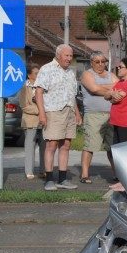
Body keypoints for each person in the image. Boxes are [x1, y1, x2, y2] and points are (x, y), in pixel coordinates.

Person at [35, 44, 82, 191]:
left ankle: (62, 179)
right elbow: (38, 92)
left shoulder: (70, 72)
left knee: (66, 145)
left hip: (69, 111)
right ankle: (49, 179)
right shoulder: (47, 69)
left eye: (71, 56)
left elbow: (72, 95)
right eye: (66, 55)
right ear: (58, 55)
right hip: (53, 111)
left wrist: (77, 113)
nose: (69, 58)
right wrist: (42, 113)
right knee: (52, 145)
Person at [78, 51, 116, 184]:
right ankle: (84, 175)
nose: (101, 64)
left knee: (113, 147)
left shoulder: (111, 74)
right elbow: (94, 89)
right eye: (97, 61)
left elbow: (120, 87)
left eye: (103, 61)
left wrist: (102, 87)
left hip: (111, 115)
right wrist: (110, 89)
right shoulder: (87, 74)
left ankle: (117, 174)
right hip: (93, 115)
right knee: (90, 146)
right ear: (91, 62)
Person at [18, 65, 43, 180]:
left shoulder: (42, 86)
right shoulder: (24, 87)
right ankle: (29, 171)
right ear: (29, 75)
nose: (39, 75)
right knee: (30, 146)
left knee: (45, 146)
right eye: (36, 73)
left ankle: (43, 170)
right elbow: (24, 106)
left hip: (44, 120)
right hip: (30, 120)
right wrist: (40, 111)